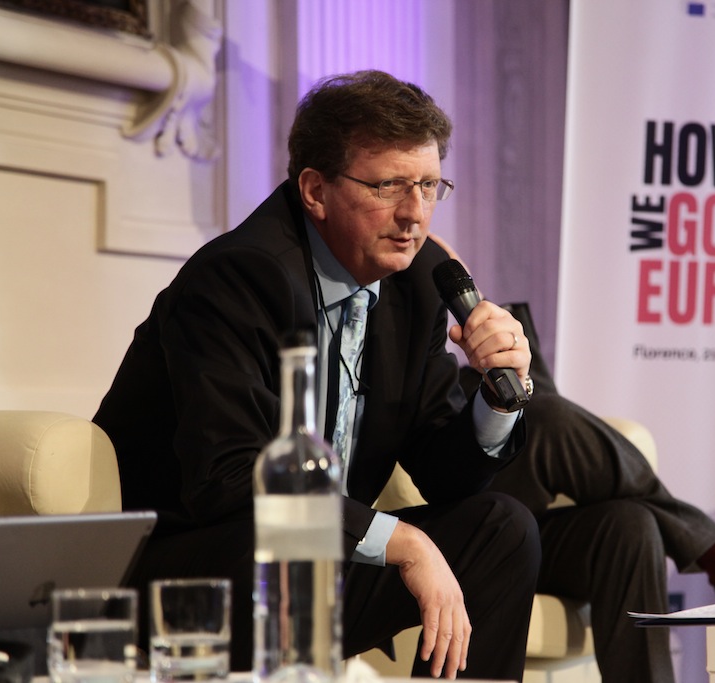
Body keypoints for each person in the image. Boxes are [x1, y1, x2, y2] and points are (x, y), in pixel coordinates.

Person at [93, 70, 542, 681]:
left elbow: (444, 472)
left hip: (318, 548)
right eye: (389, 186)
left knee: (502, 529)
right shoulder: (238, 277)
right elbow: (228, 480)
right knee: (295, 554)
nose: (415, 214)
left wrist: (497, 396)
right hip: (194, 561)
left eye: (429, 186)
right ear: (315, 190)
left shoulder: (414, 281)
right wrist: (404, 543)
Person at [429, 236, 715, 683]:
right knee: (547, 419)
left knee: (629, 525)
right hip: (450, 514)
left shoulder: (463, 305)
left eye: (430, 193)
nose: (414, 212)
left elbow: (524, 399)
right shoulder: (397, 320)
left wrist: (500, 347)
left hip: (514, 510)